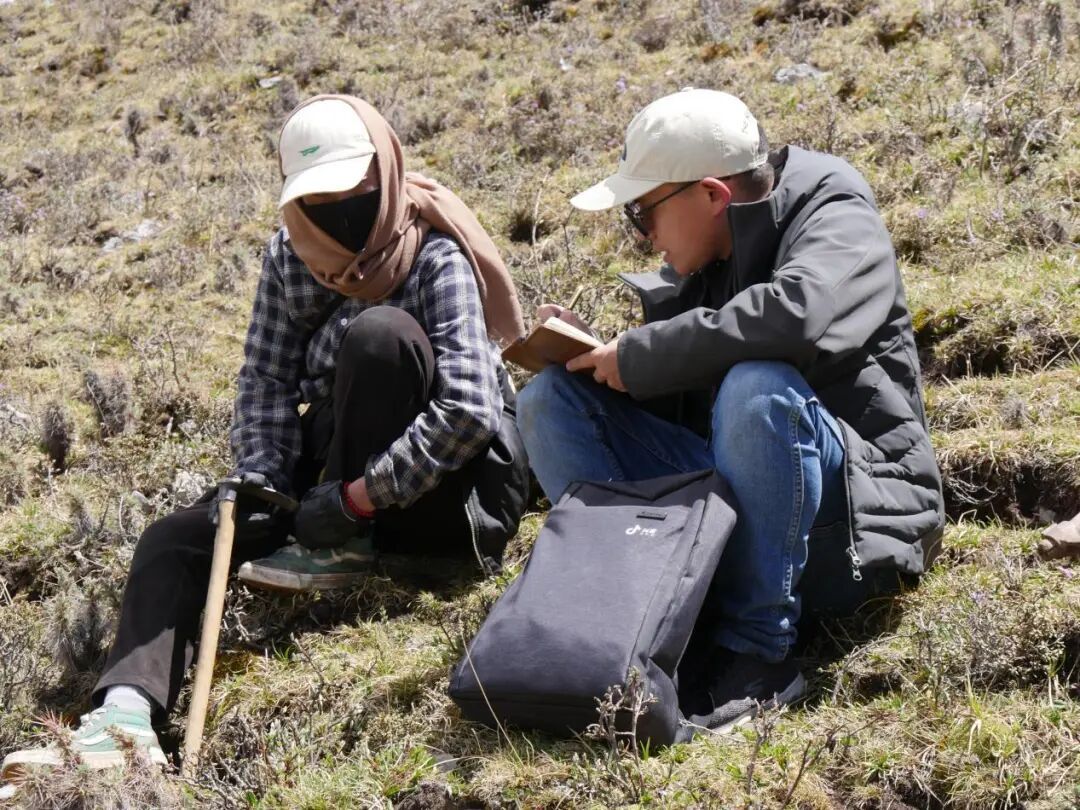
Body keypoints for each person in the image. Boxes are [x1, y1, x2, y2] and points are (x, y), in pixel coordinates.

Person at [2, 95, 529, 778]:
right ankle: (125, 724)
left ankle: (348, 544)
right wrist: (266, 476)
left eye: (353, 192)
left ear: (385, 172)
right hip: (336, 473)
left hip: (443, 497)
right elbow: (267, 378)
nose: (338, 213)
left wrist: (359, 500)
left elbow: (468, 412)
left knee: (380, 337)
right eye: (318, 200)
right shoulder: (291, 256)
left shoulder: (434, 254)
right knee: (175, 538)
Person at [517, 88, 944, 730]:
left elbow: (796, 315)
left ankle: (757, 656)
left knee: (757, 387)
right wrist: (599, 361)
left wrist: (645, 353)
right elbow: (693, 411)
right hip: (749, 524)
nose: (643, 235)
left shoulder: (832, 207)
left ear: (713, 195)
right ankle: (643, 621)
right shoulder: (704, 255)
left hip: (850, 529)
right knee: (550, 401)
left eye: (642, 212)